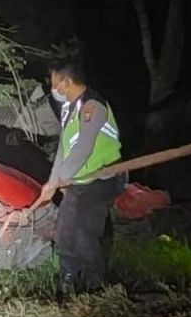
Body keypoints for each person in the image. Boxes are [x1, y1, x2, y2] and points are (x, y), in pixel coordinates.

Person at [38, 59, 125, 292]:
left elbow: (84, 147)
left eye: (55, 83)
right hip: (80, 180)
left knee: (85, 232)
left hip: (102, 178)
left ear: (67, 81)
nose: (52, 89)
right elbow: (64, 150)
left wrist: (61, 179)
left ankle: (94, 285)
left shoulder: (92, 107)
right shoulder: (69, 109)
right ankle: (67, 281)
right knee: (65, 230)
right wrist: (53, 180)